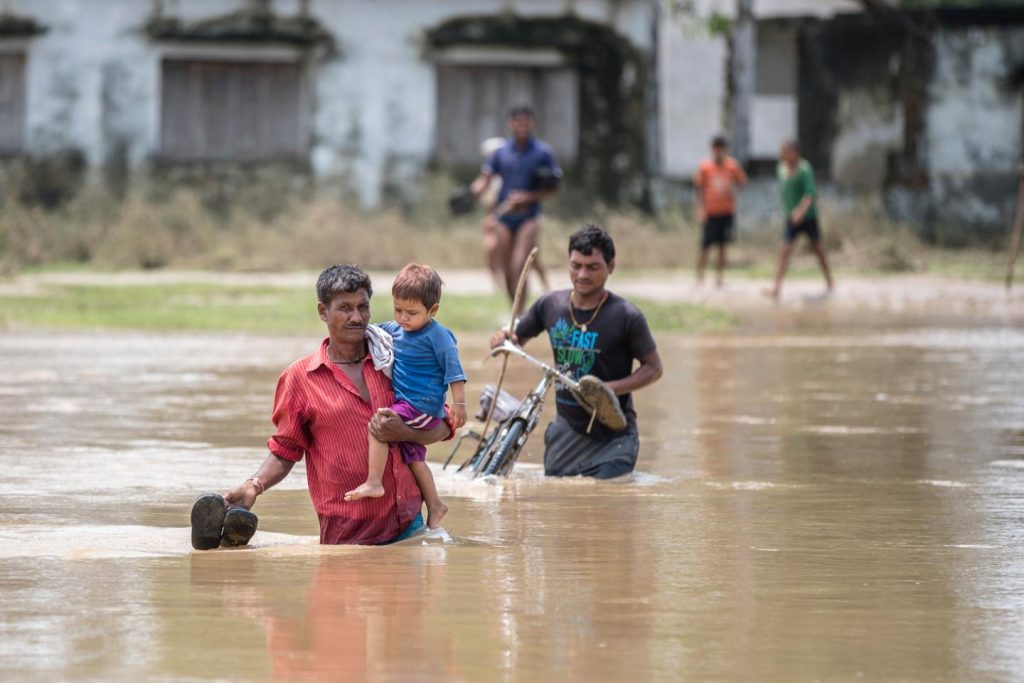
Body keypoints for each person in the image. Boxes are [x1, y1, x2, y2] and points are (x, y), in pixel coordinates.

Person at [190, 264, 454, 548]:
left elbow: (442, 425)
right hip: (345, 536)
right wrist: (255, 484)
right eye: (345, 308)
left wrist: (404, 431)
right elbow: (286, 449)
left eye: (363, 307)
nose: (357, 317)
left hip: (409, 528)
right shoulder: (300, 379)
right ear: (322, 311)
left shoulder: (393, 360)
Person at [489, 225, 663, 479]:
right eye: (575, 265)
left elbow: (654, 368)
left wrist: (610, 389)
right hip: (567, 431)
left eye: (592, 267)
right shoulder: (550, 305)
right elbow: (517, 337)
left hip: (613, 437)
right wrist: (504, 337)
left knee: (604, 502)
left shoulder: (627, 316)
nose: (582, 274)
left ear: (611, 266)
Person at [344, 264, 466, 529]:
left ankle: (374, 482)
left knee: (381, 425)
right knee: (414, 458)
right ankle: (435, 504)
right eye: (397, 310)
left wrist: (459, 404)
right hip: (408, 406)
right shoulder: (396, 329)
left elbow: (454, 371)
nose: (402, 318)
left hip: (421, 407)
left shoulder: (438, 336)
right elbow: (370, 330)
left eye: (411, 313)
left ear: (432, 310)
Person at [471, 105, 562, 312]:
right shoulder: (501, 153)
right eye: (517, 122)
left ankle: (521, 315)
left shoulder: (542, 152)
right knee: (508, 272)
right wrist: (471, 194)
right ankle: (516, 312)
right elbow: (484, 180)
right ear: (510, 124)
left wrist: (529, 197)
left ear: (532, 124)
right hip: (505, 217)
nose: (522, 126)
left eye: (526, 121)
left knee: (519, 265)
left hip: (529, 216)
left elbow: (554, 186)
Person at [479, 136, 551, 295]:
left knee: (526, 260)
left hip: (526, 219)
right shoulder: (491, 179)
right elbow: (491, 205)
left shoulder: (510, 176)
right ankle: (498, 286)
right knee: (502, 257)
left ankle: (544, 286)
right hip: (502, 221)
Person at [766, 140, 834, 300]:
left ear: (795, 152)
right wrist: (791, 213)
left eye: (785, 151)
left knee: (818, 249)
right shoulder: (781, 168)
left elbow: (811, 194)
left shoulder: (805, 169)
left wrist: (801, 211)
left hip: (808, 217)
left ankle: (830, 282)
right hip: (791, 218)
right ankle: (777, 287)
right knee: (785, 250)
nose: (782, 154)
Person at [694, 135, 748, 287]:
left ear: (725, 150)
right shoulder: (705, 167)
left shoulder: (732, 166)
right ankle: (700, 277)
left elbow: (742, 183)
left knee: (722, 246)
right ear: (712, 150)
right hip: (710, 211)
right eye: (716, 149)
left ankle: (719, 277)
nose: (719, 152)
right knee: (705, 245)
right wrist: (700, 209)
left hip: (726, 211)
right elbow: (698, 189)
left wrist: (734, 190)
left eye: (721, 149)